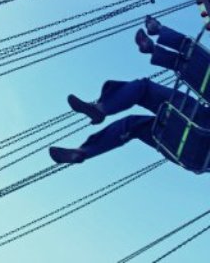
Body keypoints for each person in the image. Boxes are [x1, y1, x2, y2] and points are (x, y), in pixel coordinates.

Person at [48, 16, 210, 165]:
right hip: (191, 151)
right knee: (132, 124)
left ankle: (100, 111)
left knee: (149, 87)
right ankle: (85, 147)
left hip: (199, 124)